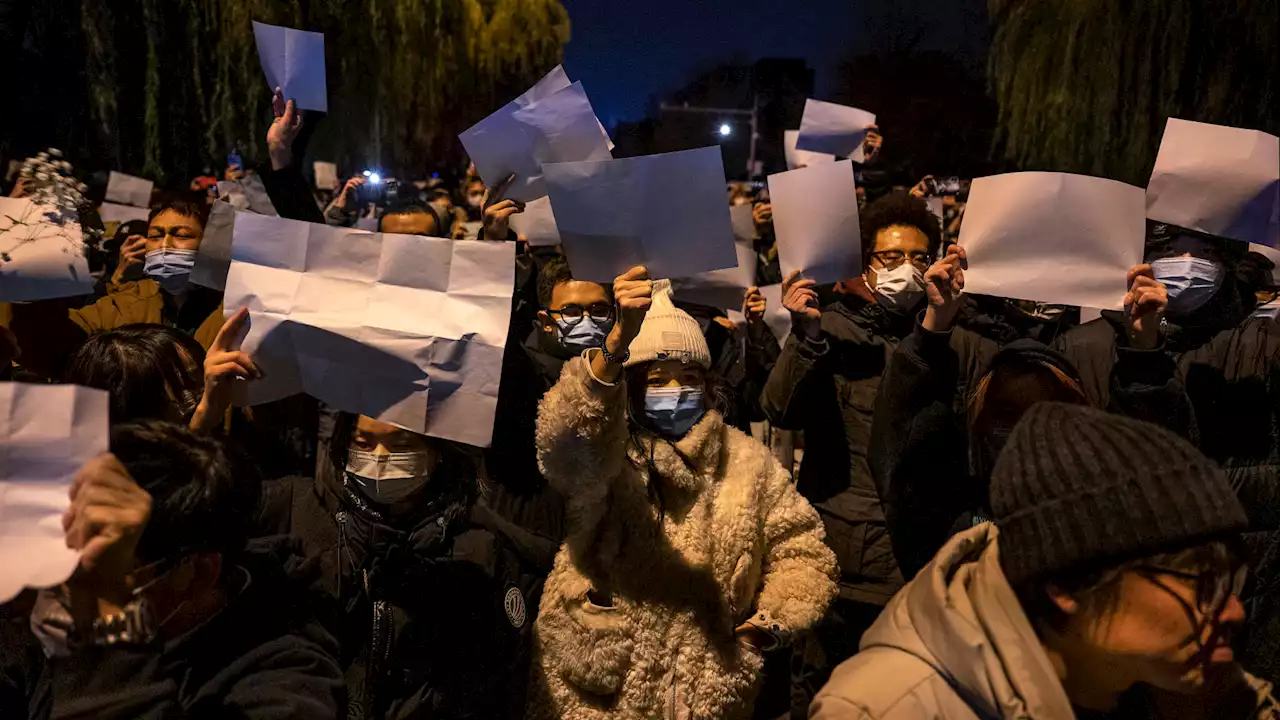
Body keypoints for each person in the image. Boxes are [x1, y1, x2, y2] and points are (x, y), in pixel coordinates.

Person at [811, 403, 1278, 719]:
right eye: (1202, 585)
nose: (1232, 611)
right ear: (1069, 584)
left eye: (1230, 580)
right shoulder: (885, 708)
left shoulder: (1185, 681)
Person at [527, 269, 837, 719]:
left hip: (704, 695)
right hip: (598, 688)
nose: (674, 390)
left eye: (688, 376)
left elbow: (804, 550)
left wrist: (763, 628)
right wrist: (615, 347)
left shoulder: (747, 462)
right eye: (657, 378)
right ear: (632, 386)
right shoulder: (607, 454)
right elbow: (565, 437)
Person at [870, 244, 1192, 579]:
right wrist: (933, 331)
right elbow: (905, 448)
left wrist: (1144, 353)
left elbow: (1153, 465)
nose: (1024, 429)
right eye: (1006, 411)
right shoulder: (949, 525)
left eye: (1048, 410)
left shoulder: (1100, 521)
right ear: (977, 424)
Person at [1051, 223, 1280, 680]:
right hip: (1125, 595)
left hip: (1248, 594)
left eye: (1205, 249)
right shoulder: (1083, 348)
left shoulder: (1267, 344)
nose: (1188, 263)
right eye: (1172, 248)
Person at [29, 420, 345, 719]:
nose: (73, 581)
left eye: (107, 566)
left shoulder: (288, 685)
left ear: (200, 572)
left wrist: (106, 641)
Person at [759, 193, 943, 688]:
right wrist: (806, 338)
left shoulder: (945, 332)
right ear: (866, 263)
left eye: (920, 258)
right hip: (843, 560)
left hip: (919, 561)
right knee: (825, 689)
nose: (908, 268)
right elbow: (779, 409)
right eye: (892, 257)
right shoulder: (832, 327)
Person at [258, 411, 552, 719]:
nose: (380, 458)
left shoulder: (477, 553)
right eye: (364, 442)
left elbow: (497, 684)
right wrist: (206, 415)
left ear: (437, 450)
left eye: (400, 444)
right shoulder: (296, 507)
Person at [7, 199, 222, 380]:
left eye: (182, 235)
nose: (165, 246)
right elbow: (56, 346)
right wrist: (31, 288)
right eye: (155, 236)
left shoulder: (234, 307)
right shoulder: (126, 303)